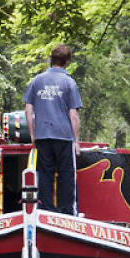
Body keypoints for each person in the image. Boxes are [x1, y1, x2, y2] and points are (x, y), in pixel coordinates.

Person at [24, 44, 82, 215]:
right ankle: (67, 213)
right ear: (66, 62)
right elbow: (74, 115)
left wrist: (33, 135)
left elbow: (29, 110)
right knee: (67, 176)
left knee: (44, 175)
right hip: (64, 137)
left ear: (51, 60)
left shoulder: (36, 81)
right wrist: (76, 141)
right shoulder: (69, 82)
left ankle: (46, 211)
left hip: (42, 136)